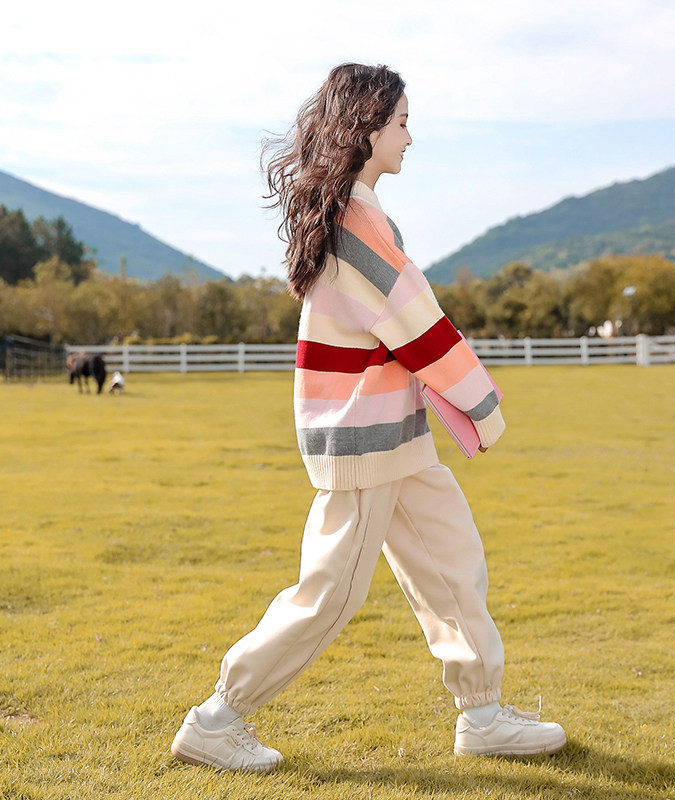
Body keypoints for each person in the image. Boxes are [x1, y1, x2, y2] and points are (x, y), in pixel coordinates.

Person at [171, 62, 566, 772]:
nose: (411, 137)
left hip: (391, 432)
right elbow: (415, 321)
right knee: (332, 591)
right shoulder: (356, 222)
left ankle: (482, 713)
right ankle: (217, 719)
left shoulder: (356, 214)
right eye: (403, 122)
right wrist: (480, 403)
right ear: (369, 127)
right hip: (362, 436)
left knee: (452, 562)